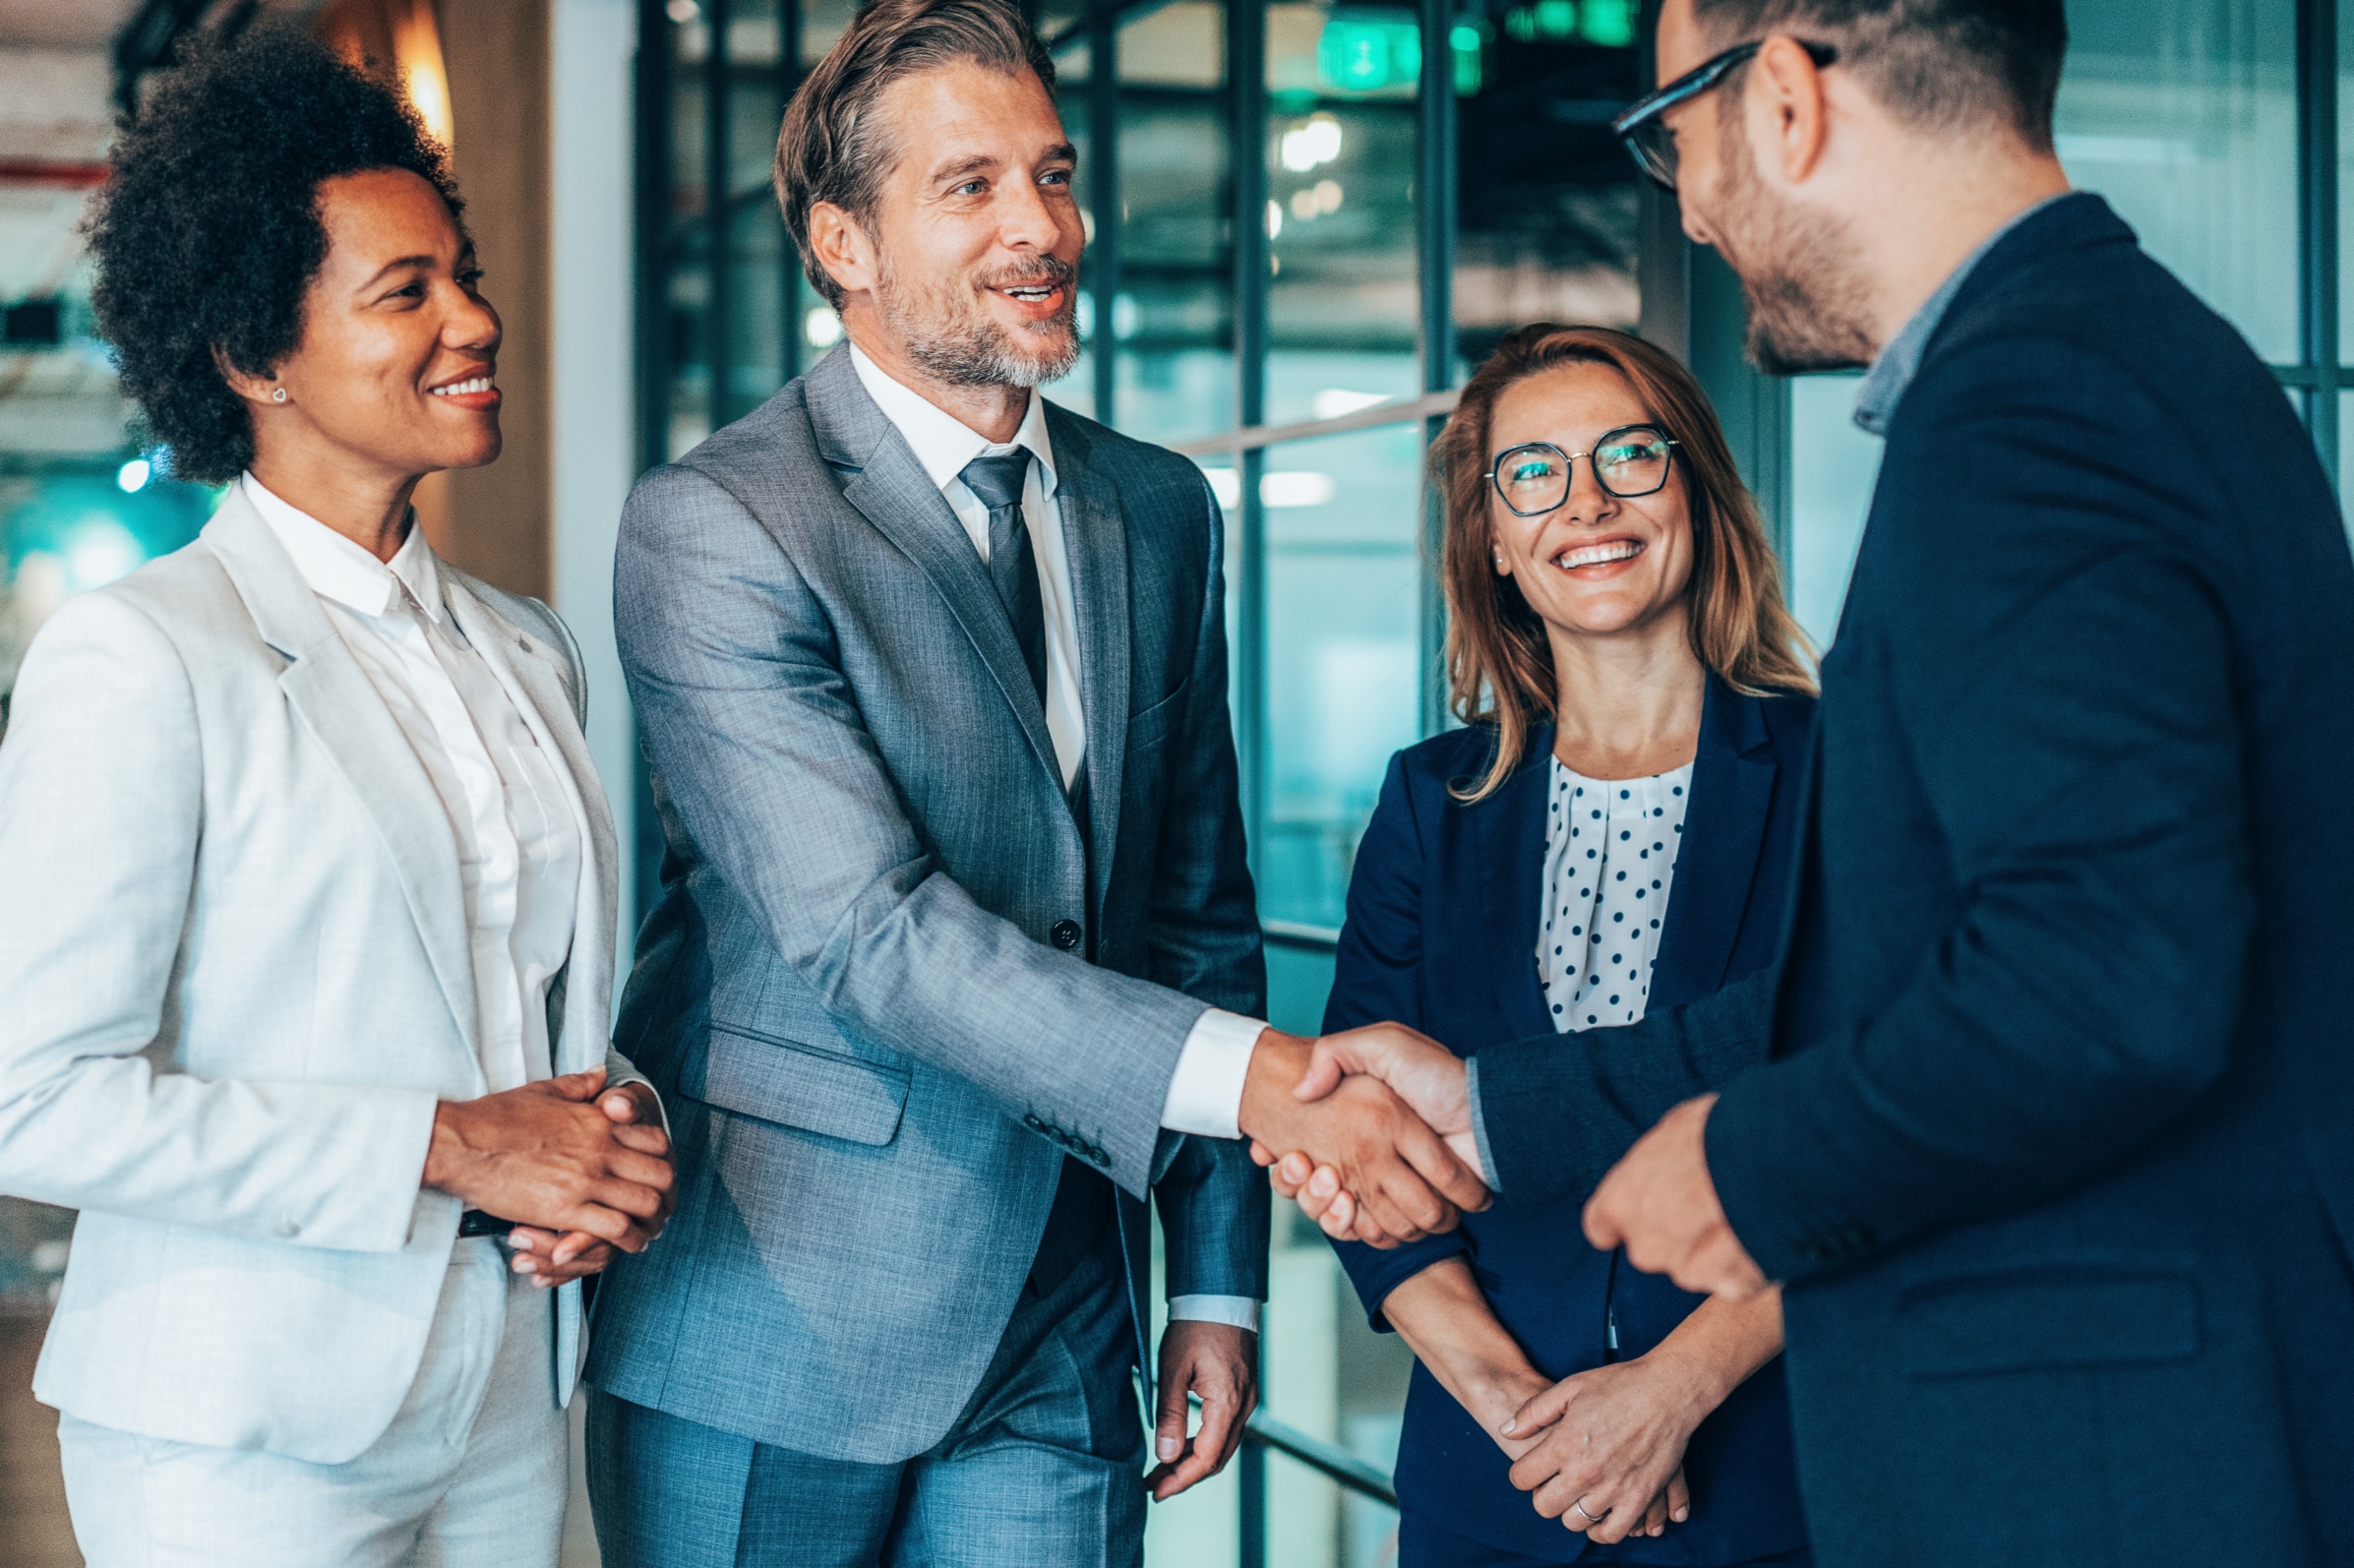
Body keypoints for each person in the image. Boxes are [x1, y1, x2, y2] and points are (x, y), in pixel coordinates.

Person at [1260, 1, 2354, 1564]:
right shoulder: (2100, 361)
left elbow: (2100, 980)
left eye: (1677, 138)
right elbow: (1904, 978)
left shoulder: (2031, 409)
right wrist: (1500, 1103)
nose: (1695, 208)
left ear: (1782, 97)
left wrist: (1744, 1160)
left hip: (2171, 1451)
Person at [578, 1, 1484, 1563]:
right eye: (972, 186)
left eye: (1053, 176)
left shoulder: (1156, 508)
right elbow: (872, 931)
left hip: (1067, 1308)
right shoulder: (718, 524)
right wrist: (1270, 1083)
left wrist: (1210, 1279)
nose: (1042, 228)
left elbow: (1194, 908)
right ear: (843, 241)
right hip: (778, 1307)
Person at [0, 29, 675, 1568]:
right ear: (255, 355)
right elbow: (33, 1097)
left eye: (465, 273)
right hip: (237, 1427)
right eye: (407, 294)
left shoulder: (527, 649)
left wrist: (609, 1125)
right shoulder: (143, 656)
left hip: (508, 1397)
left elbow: (525, 1010)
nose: (476, 318)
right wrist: (452, 1144)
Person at [1309, 325, 1815, 1567]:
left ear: (1693, 486)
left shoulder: (1839, 775)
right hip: (1492, 1493)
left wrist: (1672, 1390)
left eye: (1628, 457)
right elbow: (1360, 1151)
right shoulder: (1430, 802)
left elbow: (1889, 1123)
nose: (1585, 503)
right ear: (1490, 537)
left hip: (1765, 1482)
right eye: (1531, 472)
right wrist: (1525, 1422)